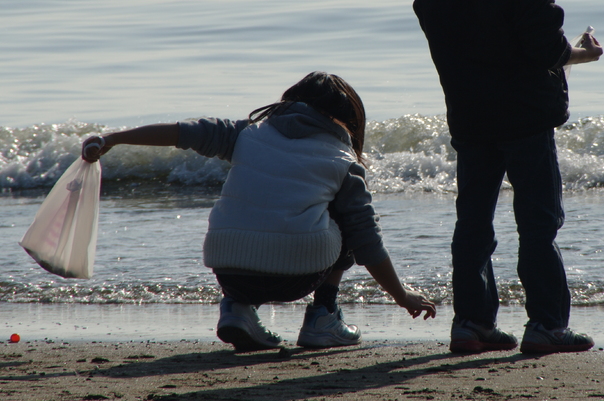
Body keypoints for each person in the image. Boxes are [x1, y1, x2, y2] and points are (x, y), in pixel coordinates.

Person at [81, 72, 436, 352]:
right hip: (297, 276)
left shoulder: (246, 134)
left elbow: (182, 132)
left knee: (251, 202)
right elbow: (367, 241)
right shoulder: (343, 161)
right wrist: (402, 296)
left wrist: (113, 138)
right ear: (349, 121)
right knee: (347, 219)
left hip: (229, 269)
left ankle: (236, 308)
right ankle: (323, 317)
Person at [413, 0, 602, 354]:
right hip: (524, 118)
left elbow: (426, 14)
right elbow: (546, 49)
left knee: (473, 220)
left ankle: (472, 322)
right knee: (538, 222)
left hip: (470, 115)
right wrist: (582, 53)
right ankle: (545, 325)